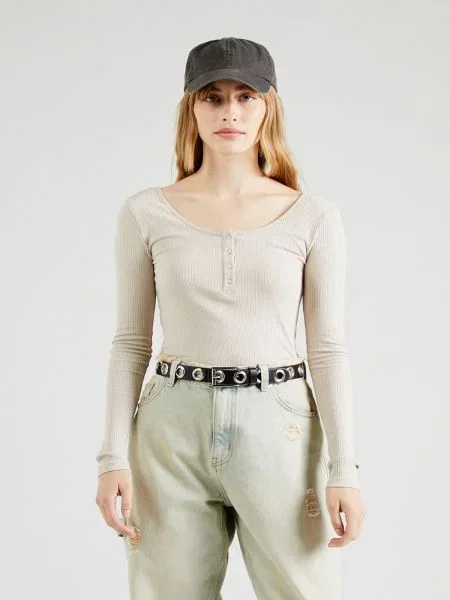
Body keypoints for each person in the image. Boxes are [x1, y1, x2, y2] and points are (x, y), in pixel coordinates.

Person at [95, 36, 366, 600]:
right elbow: (130, 342)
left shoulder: (312, 218)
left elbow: (327, 349)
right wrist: (112, 457)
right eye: (212, 97)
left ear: (269, 107)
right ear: (191, 108)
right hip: (171, 428)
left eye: (246, 96)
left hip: (281, 427)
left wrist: (345, 469)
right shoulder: (146, 213)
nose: (230, 112)